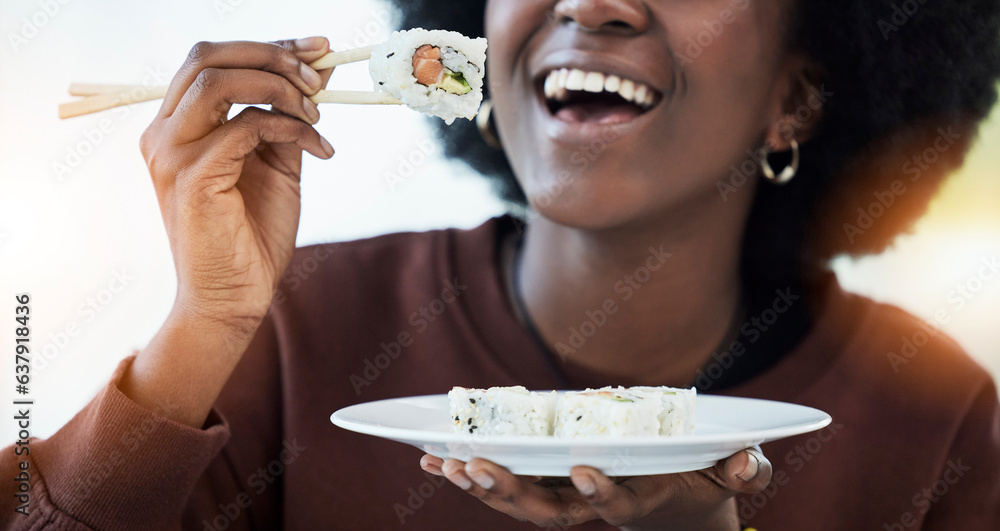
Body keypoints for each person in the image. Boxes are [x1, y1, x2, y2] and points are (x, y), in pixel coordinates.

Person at [4, 0, 1000, 529]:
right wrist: (206, 326)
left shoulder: (935, 415)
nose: (595, 3)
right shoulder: (297, 325)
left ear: (798, 99)